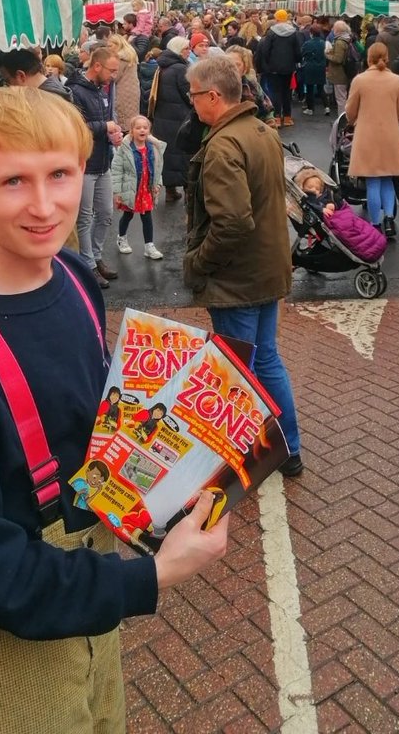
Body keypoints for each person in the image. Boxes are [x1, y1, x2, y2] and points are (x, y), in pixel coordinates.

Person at [0, 87, 227, 734]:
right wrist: (150, 576)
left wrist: (157, 489)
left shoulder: (72, 278)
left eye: (59, 175)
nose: (43, 206)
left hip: (80, 601)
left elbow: (80, 432)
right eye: (13, 181)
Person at [182, 56, 303, 477]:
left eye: (194, 95)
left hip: (237, 276)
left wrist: (199, 263)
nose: (191, 103)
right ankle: (287, 449)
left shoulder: (223, 145)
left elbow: (232, 222)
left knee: (237, 370)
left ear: (213, 96)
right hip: (267, 267)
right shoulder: (261, 131)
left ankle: (244, 456)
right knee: (265, 359)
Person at [68, 45, 123, 289]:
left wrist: (112, 132)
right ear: (97, 66)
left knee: (106, 214)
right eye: (111, 70)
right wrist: (106, 127)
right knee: (85, 216)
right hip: (86, 164)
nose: (113, 76)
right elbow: (76, 128)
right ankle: (88, 264)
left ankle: (96, 257)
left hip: (103, 161)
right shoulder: (76, 91)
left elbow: (103, 122)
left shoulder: (103, 89)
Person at [345, 42, 399, 239]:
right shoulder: (396, 80)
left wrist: (354, 120)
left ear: (368, 57)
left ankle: (375, 223)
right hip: (390, 134)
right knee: (388, 178)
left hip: (367, 135)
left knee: (372, 181)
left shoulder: (360, 80)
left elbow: (350, 112)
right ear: (387, 57)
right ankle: (389, 218)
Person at [111, 115, 165, 259]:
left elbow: (157, 167)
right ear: (132, 131)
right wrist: (117, 192)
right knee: (128, 215)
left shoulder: (153, 148)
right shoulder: (125, 148)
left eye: (145, 128)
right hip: (130, 189)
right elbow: (117, 170)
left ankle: (149, 246)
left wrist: (158, 184)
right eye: (138, 127)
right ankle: (121, 238)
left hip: (146, 189)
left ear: (149, 130)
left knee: (147, 217)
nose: (142, 130)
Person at [150, 35, 192, 202]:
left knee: (167, 155)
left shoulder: (163, 66)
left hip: (163, 117)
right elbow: (189, 94)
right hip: (179, 118)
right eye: (185, 49)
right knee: (184, 155)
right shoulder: (181, 69)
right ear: (177, 50)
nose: (188, 52)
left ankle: (170, 190)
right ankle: (189, 191)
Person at [257, 8, 302, 128]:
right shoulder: (293, 32)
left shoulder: (271, 33)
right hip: (289, 67)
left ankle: (276, 117)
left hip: (274, 67)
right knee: (287, 92)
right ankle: (287, 117)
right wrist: (296, 61)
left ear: (276, 19)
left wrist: (268, 63)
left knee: (275, 92)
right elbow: (298, 51)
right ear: (286, 18)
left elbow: (266, 50)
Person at [0, 48, 70, 99]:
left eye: (8, 81)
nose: (9, 88)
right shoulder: (53, 93)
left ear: (21, 76)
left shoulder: (45, 101)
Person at [107, 34, 141, 134]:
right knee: (131, 117)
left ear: (118, 44)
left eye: (110, 46)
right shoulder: (130, 55)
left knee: (123, 119)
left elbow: (114, 76)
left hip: (122, 91)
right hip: (132, 90)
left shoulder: (120, 58)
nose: (108, 48)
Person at [325, 20, 358, 116]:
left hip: (340, 73)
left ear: (337, 30)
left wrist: (327, 55)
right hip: (349, 71)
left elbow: (338, 59)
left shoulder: (339, 42)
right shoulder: (349, 38)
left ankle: (342, 120)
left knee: (341, 99)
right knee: (346, 97)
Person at [300, 25, 327, 116]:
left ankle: (310, 109)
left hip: (310, 67)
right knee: (321, 88)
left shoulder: (307, 43)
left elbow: (302, 54)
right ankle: (327, 107)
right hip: (321, 67)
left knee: (310, 89)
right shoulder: (324, 43)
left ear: (311, 33)